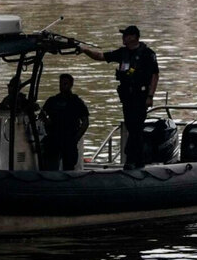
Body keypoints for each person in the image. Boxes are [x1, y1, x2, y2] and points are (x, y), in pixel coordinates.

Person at [80, 25, 158, 169]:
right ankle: (137, 160)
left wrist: (150, 96)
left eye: (126, 35)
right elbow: (101, 56)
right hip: (127, 97)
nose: (123, 38)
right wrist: (85, 50)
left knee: (136, 127)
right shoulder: (122, 53)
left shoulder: (147, 54)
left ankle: (131, 158)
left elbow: (154, 75)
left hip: (140, 96)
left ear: (134, 37)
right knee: (131, 126)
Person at [39, 73, 90, 171]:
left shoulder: (76, 102)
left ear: (71, 85)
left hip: (69, 139)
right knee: (50, 168)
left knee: (69, 169)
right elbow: (42, 113)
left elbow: (85, 122)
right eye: (61, 84)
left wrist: (76, 138)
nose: (62, 86)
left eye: (65, 84)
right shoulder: (52, 100)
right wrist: (47, 122)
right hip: (54, 138)